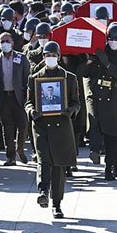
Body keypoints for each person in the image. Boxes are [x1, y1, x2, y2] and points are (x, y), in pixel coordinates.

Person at [26, 41, 80, 219]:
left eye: (54, 55)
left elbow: (76, 103)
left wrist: (70, 110)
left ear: (58, 56)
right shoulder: (34, 78)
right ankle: (43, 192)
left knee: (59, 166)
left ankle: (57, 204)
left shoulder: (69, 78)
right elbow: (29, 102)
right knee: (43, 159)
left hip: (61, 126)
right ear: (43, 57)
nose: (51, 58)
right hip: (41, 125)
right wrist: (31, 111)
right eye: (47, 55)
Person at [80, 23, 117, 179]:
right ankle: (94, 151)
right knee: (94, 124)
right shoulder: (99, 53)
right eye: (111, 39)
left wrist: (107, 63)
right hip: (96, 96)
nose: (113, 42)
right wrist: (90, 61)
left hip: (112, 99)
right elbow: (82, 73)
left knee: (112, 135)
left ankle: (110, 167)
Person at [0, 32, 30, 166]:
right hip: (4, 98)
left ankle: (20, 148)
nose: (5, 44)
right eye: (2, 41)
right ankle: (10, 156)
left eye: (7, 41)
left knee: (23, 125)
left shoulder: (21, 58)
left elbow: (27, 78)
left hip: (18, 97)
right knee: (7, 128)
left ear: (13, 43)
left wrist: (27, 97)